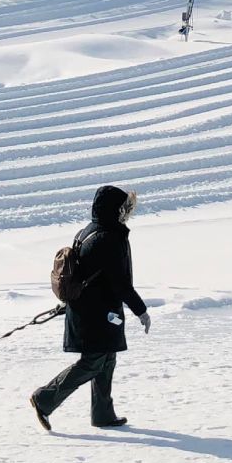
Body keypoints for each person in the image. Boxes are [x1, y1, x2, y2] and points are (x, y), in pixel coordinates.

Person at [30, 185, 150, 431]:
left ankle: (103, 413)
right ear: (117, 210)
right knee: (94, 362)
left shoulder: (89, 231)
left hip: (92, 310)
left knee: (107, 359)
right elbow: (120, 283)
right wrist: (141, 310)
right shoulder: (109, 238)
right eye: (126, 208)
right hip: (98, 314)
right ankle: (44, 398)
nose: (128, 213)